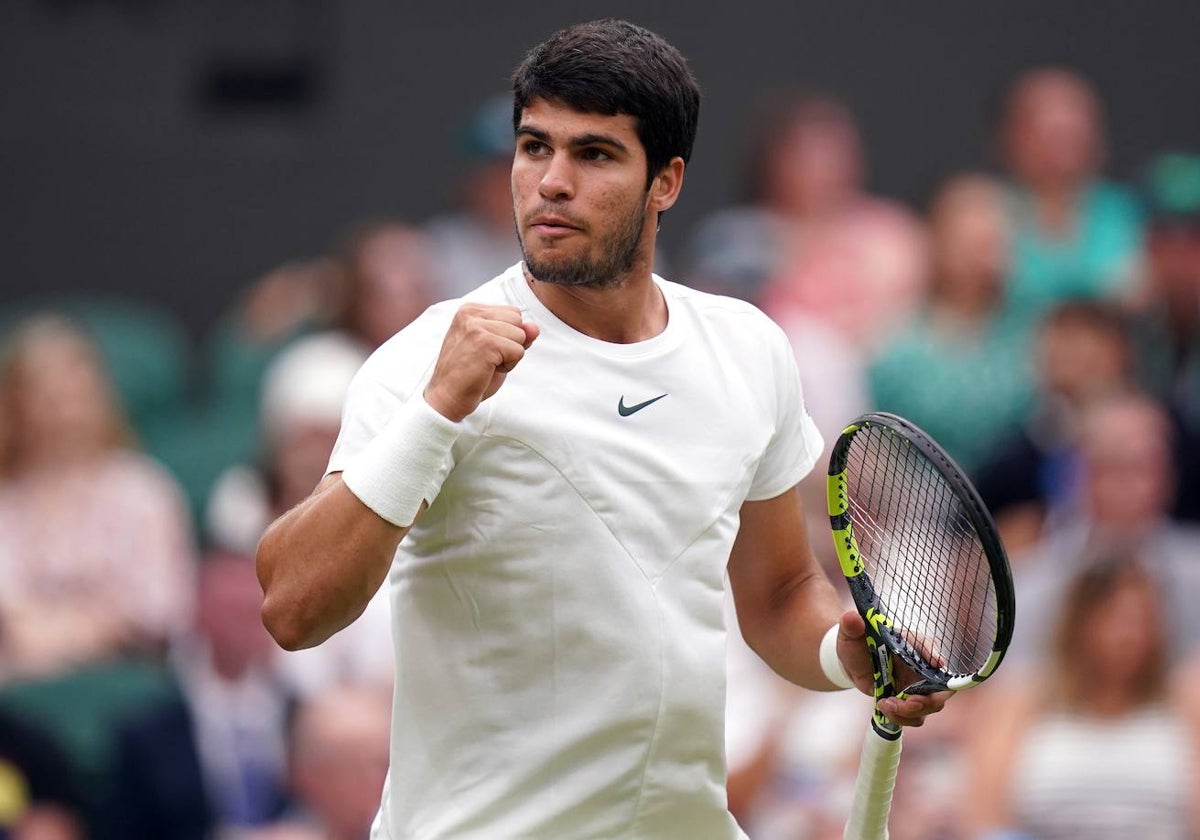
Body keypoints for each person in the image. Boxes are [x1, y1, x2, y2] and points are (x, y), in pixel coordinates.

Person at [256, 19, 948, 839]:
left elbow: (777, 597)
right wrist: (439, 408)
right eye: (533, 147)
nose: (551, 181)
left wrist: (847, 657)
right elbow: (293, 609)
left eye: (594, 154)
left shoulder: (748, 350)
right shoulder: (426, 360)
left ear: (667, 181)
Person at [968, 559, 1200, 839]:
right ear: (1079, 624)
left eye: (1142, 620)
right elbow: (983, 814)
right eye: (1114, 618)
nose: (1130, 635)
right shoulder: (1023, 698)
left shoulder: (1187, 699)